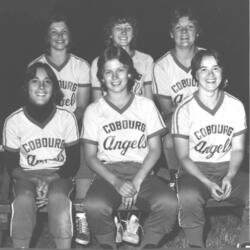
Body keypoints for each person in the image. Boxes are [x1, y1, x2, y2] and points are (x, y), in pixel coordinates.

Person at [81, 46, 178, 249]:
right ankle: (108, 242)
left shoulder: (145, 106)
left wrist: (137, 181)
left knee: (168, 203)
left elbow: (155, 149)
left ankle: (148, 242)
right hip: (109, 173)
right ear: (101, 77)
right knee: (94, 204)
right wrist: (116, 182)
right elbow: (90, 157)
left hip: (142, 171)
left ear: (130, 73)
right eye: (108, 71)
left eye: (120, 70)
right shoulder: (93, 110)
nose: (115, 77)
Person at [172, 49, 249, 248]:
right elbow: (183, 157)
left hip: (226, 168)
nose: (211, 75)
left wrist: (230, 177)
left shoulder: (235, 105)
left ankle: (246, 242)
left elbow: (238, 150)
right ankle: (196, 245)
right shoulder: (184, 109)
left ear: (223, 73)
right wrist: (206, 182)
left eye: (215, 68)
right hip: (195, 171)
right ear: (195, 75)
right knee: (189, 196)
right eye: (204, 70)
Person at [28, 12, 91, 245]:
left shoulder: (81, 65)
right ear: (47, 37)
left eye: (64, 31)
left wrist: (67, 124)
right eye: (54, 32)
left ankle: (82, 210)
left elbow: (83, 105)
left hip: (73, 123)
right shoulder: (35, 65)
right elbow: (32, 106)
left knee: (85, 142)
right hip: (44, 128)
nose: (59, 36)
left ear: (70, 35)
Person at [2, 62, 79, 249]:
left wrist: (50, 179)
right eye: (35, 81)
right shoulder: (14, 120)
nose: (41, 87)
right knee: (23, 199)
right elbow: (12, 166)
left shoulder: (66, 118)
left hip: (59, 174)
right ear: (26, 86)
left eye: (47, 82)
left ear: (54, 88)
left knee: (58, 198)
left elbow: (73, 162)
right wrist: (36, 180)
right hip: (25, 175)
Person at [153, 6, 202, 181]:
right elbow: (167, 110)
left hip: (208, 117)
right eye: (178, 27)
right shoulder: (162, 66)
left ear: (197, 32)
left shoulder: (208, 58)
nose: (184, 32)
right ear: (171, 34)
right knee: (168, 138)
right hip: (178, 118)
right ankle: (176, 178)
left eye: (189, 27)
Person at [91, 15, 154, 100]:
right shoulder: (97, 62)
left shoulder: (146, 60)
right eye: (118, 28)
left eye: (128, 28)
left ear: (133, 33)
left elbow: (149, 100)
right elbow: (97, 102)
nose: (123, 32)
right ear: (110, 34)